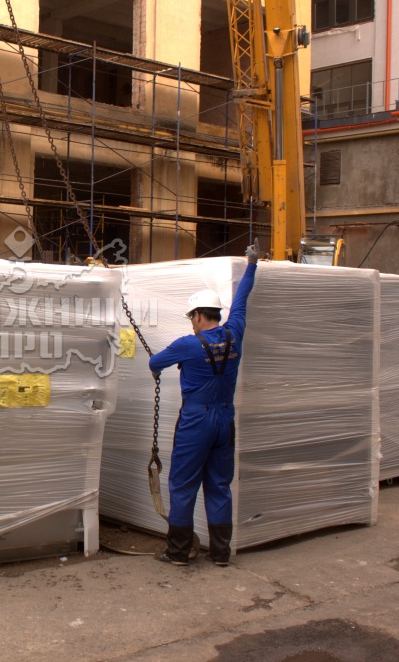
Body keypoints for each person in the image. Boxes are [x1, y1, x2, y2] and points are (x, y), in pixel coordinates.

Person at [148, 243, 260, 567]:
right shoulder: (234, 333)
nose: (192, 322)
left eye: (192, 317)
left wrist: (157, 369)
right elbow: (242, 299)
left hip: (196, 421)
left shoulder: (188, 345)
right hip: (225, 419)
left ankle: (179, 552)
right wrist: (252, 264)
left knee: (183, 485)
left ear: (198, 315)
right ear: (218, 314)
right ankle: (222, 554)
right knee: (219, 485)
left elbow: (155, 362)